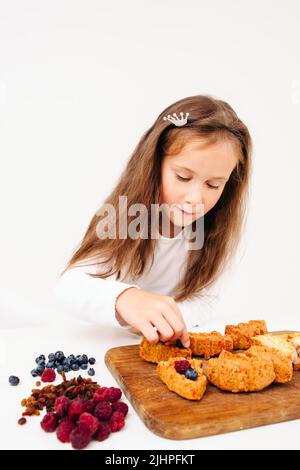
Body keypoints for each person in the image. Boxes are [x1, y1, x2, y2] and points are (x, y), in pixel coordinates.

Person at [54, 94, 252, 347]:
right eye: (182, 177)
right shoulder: (124, 219)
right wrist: (126, 299)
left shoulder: (212, 230)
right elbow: (68, 287)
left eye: (213, 185)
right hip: (101, 348)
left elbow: (205, 299)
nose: (195, 198)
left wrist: (169, 322)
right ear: (153, 165)